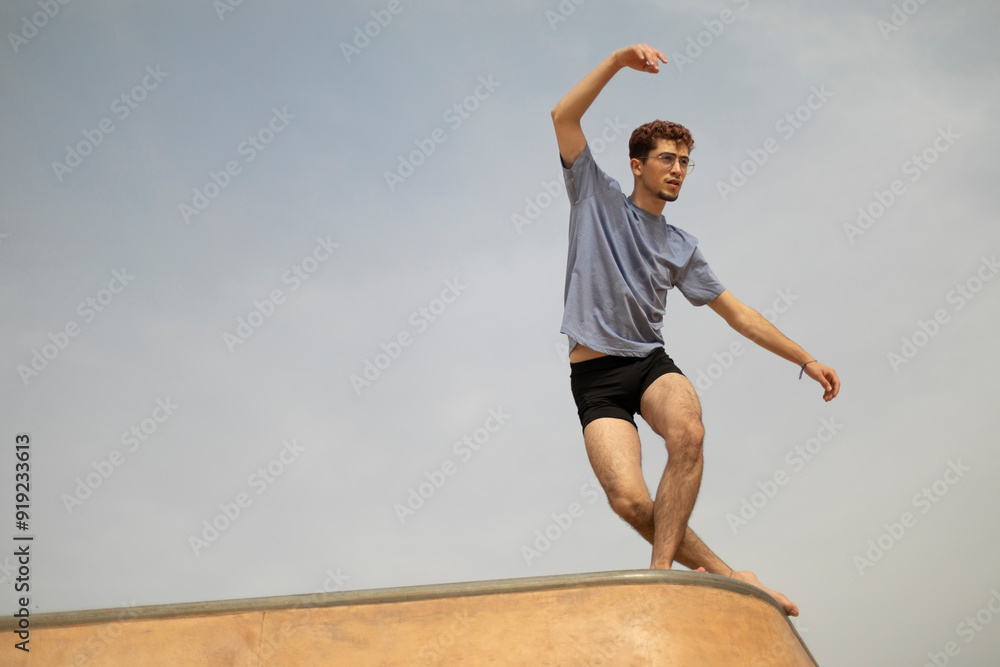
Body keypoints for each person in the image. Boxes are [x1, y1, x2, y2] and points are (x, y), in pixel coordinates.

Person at [551, 43, 841, 617]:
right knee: (630, 500)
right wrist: (616, 62)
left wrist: (804, 358)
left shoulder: (681, 246)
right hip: (595, 379)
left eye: (684, 162)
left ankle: (661, 579)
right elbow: (563, 117)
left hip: (649, 364)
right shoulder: (594, 197)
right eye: (666, 159)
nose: (677, 170)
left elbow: (739, 313)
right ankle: (736, 576)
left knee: (688, 433)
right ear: (638, 164)